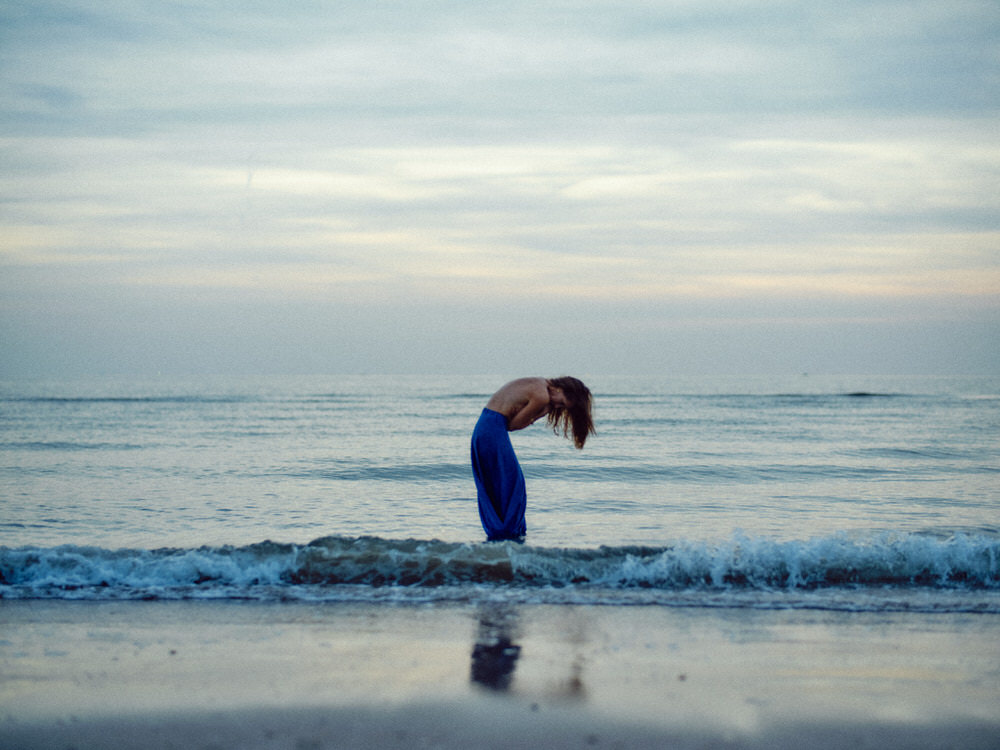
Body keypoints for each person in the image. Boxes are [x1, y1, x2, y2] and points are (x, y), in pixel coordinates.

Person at [471, 376, 595, 541]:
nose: (557, 407)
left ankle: (503, 532)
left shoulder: (540, 384)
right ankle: (505, 533)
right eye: (561, 403)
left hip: (487, 426)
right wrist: (540, 414)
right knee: (512, 484)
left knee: (503, 482)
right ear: (560, 389)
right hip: (493, 428)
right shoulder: (542, 396)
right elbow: (513, 425)